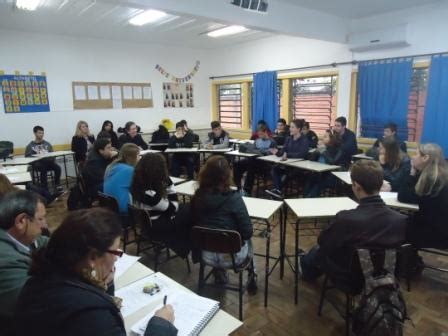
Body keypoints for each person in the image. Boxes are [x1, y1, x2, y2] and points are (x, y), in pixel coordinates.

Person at [13, 208, 178, 336]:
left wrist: (103, 285)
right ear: (92, 257)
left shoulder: (43, 277)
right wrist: (161, 325)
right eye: (115, 252)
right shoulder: (91, 317)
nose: (116, 259)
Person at [300, 160, 407, 291]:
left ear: (356, 186)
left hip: (350, 278)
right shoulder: (400, 220)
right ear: (380, 185)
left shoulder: (346, 218)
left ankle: (306, 268)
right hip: (384, 276)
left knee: (318, 249)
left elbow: (323, 241)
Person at [191, 155, 256, 291]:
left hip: (205, 254)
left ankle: (219, 272)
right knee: (249, 238)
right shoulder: (234, 198)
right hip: (232, 257)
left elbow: (194, 222)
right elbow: (247, 232)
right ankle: (252, 275)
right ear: (227, 175)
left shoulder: (197, 196)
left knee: (212, 231)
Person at [0, 191, 48, 336]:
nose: (45, 225)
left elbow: (48, 243)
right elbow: (38, 306)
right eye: (41, 219)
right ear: (21, 221)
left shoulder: (23, 238)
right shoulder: (6, 262)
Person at [130, 153, 189, 256]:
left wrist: (167, 183)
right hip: (155, 226)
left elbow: (171, 200)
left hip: (151, 220)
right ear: (158, 170)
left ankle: (186, 243)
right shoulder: (148, 193)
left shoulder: (140, 181)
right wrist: (172, 198)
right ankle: (187, 246)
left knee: (187, 209)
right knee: (189, 211)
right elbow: (172, 208)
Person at [398, 143, 448, 249]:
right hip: (440, 229)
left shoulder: (430, 178)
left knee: (395, 225)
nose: (413, 157)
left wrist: (412, 172)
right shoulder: (441, 175)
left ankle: (407, 262)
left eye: (416, 154)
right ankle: (413, 260)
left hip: (436, 234)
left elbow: (403, 196)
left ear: (425, 158)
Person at [233, 124, 277, 196]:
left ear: (265, 132)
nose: (259, 136)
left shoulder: (272, 142)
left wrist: (259, 151)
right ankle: (238, 188)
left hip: (265, 164)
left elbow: (270, 155)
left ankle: (247, 190)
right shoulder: (257, 141)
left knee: (251, 164)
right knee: (237, 164)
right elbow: (251, 150)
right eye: (258, 134)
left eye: (261, 134)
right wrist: (259, 151)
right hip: (253, 160)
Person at [270, 119, 310, 196]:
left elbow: (302, 154)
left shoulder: (304, 140)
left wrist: (287, 155)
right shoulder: (288, 138)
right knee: (274, 169)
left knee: (288, 175)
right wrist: (277, 152)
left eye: (292, 127)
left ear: (298, 129)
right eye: (290, 127)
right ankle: (278, 191)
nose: (290, 129)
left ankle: (277, 190)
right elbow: (283, 151)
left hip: (299, 167)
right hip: (287, 164)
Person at [304, 129, 343, 197]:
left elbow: (332, 162)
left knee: (317, 184)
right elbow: (311, 160)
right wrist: (316, 151)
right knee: (309, 180)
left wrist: (324, 151)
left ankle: (309, 199)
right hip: (318, 174)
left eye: (325, 137)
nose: (322, 138)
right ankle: (305, 198)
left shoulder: (338, 150)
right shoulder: (323, 147)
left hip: (330, 176)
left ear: (332, 139)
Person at [104, 143, 140, 214]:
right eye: (138, 155)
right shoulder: (130, 170)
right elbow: (141, 188)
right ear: (132, 157)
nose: (140, 158)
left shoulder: (111, 166)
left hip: (111, 207)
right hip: (125, 209)